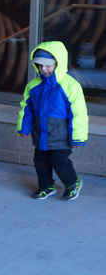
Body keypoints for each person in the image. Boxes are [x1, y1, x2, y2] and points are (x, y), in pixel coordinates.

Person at [16, 41, 88, 201]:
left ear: (59, 63)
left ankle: (73, 182)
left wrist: (78, 136)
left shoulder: (70, 86)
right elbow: (26, 108)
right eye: (40, 65)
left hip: (61, 136)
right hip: (41, 134)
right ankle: (46, 186)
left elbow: (79, 114)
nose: (44, 69)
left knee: (59, 160)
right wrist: (24, 128)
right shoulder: (33, 86)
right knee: (40, 161)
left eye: (48, 65)